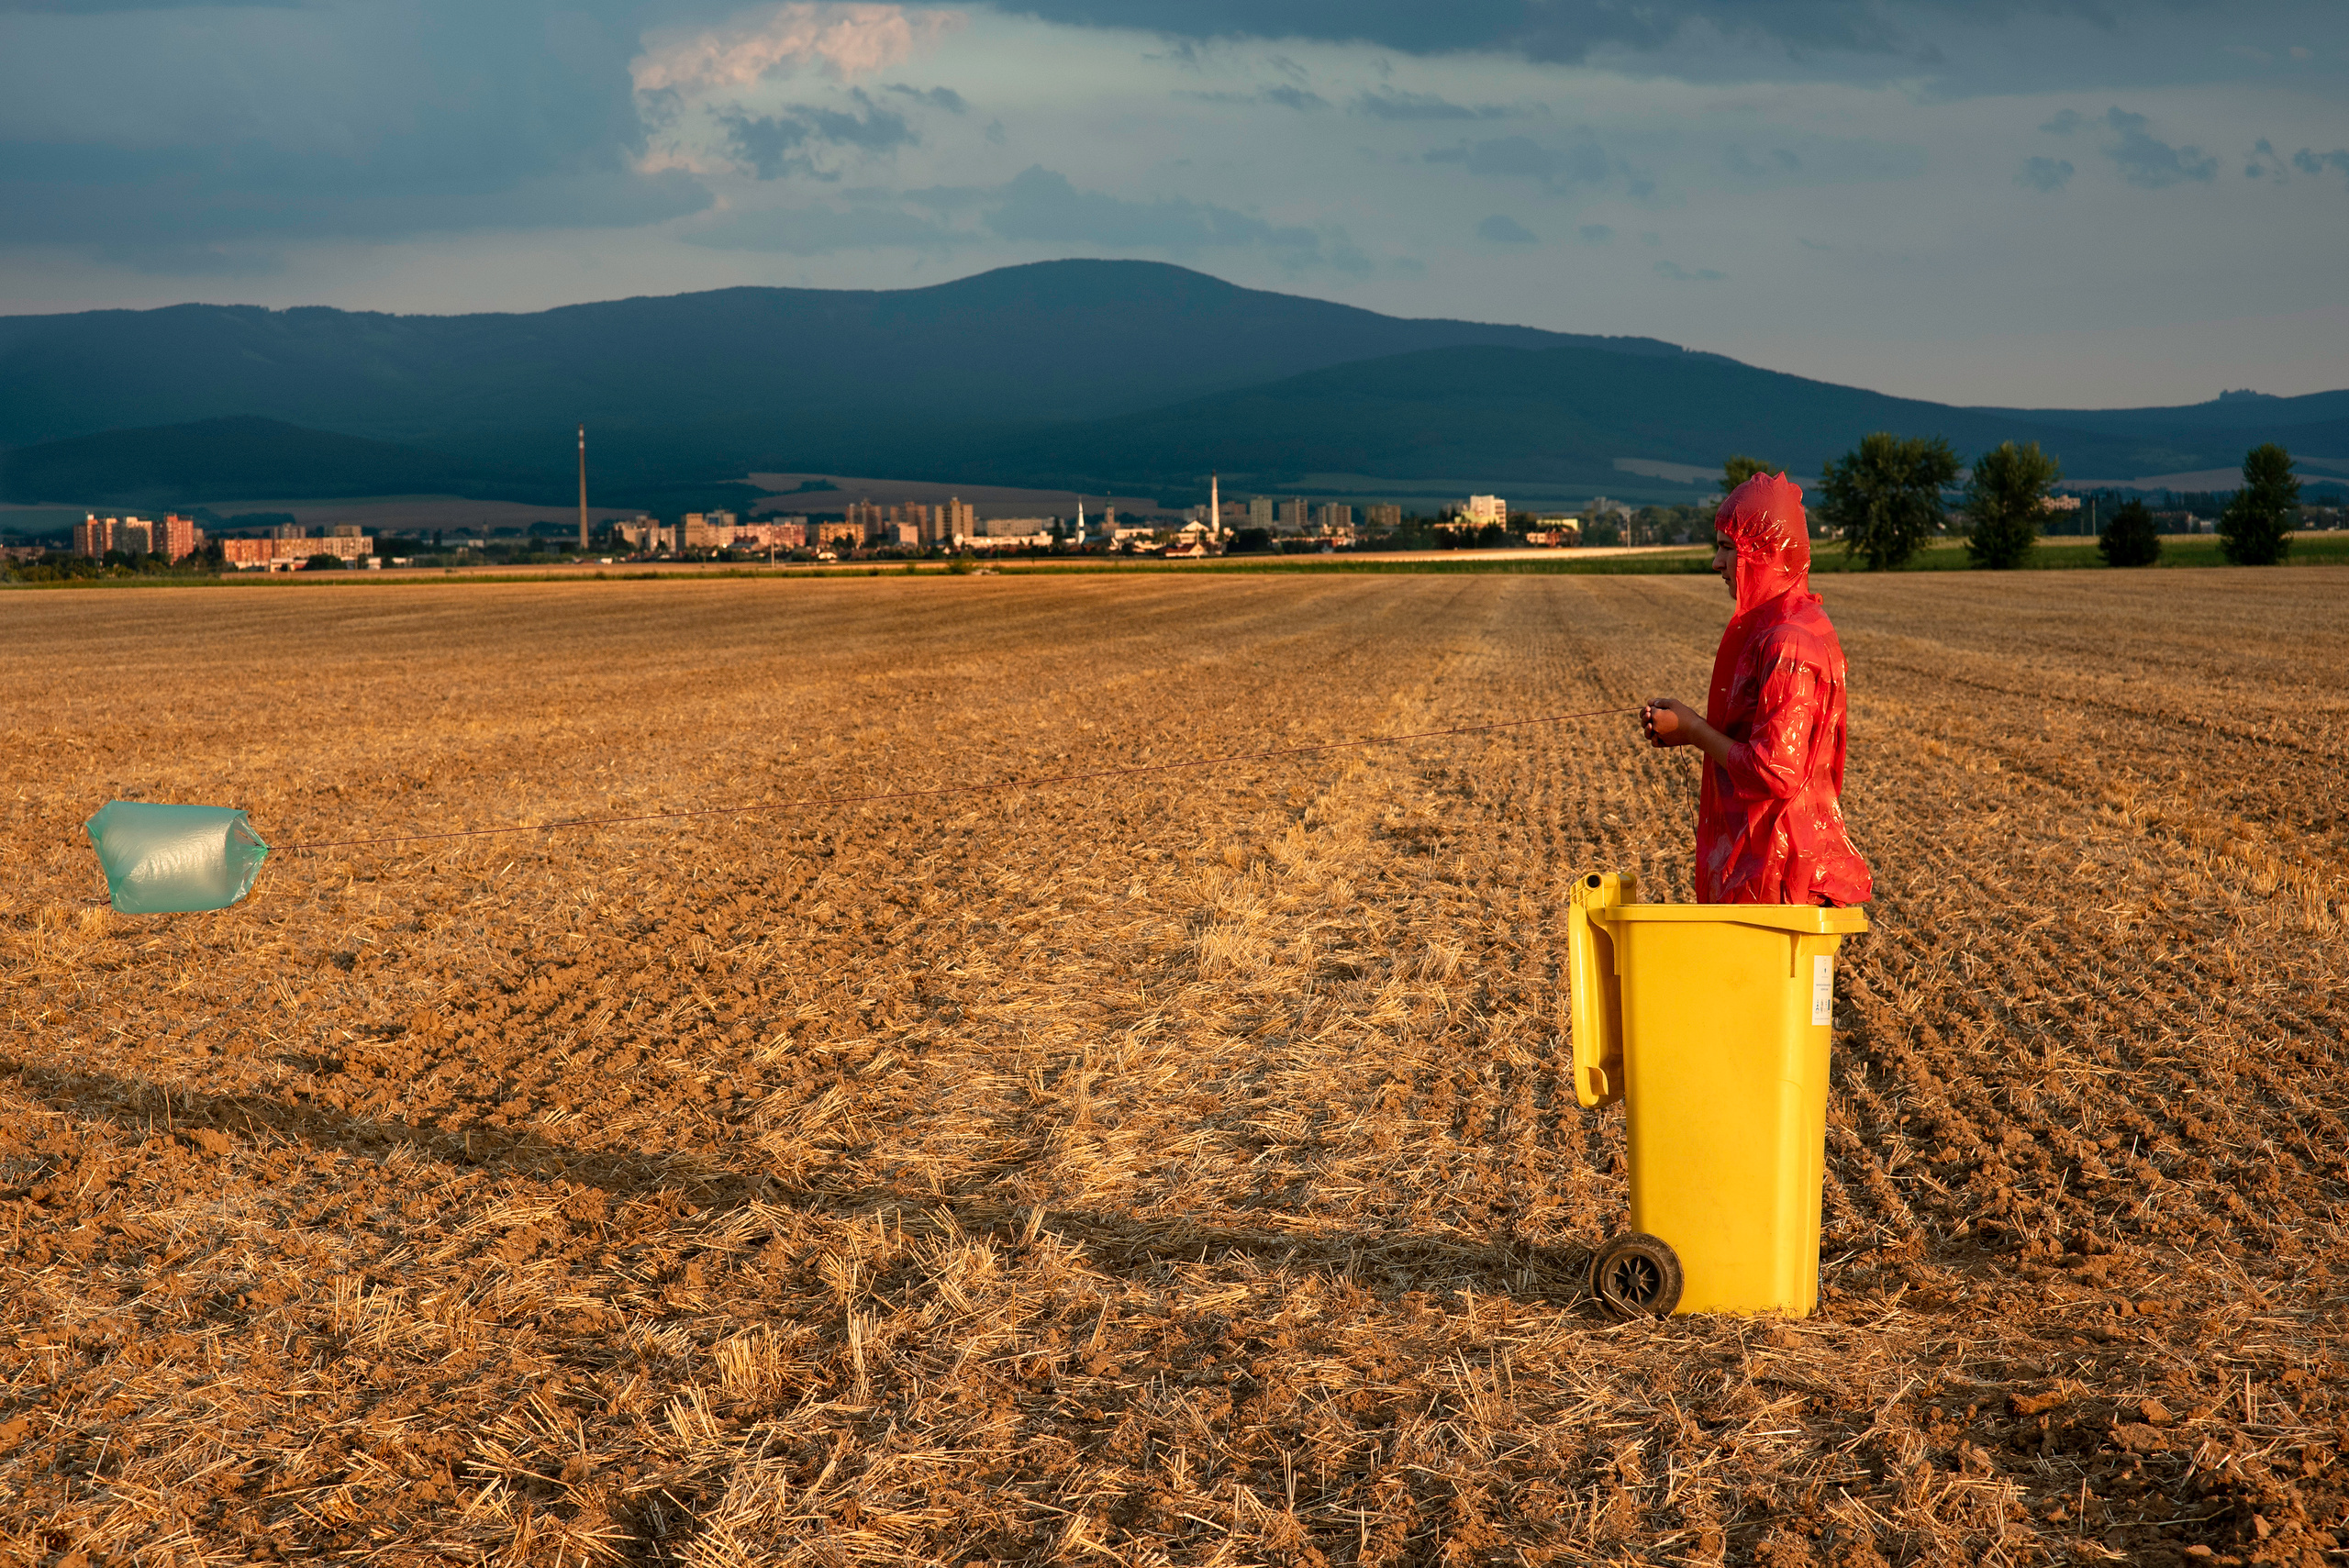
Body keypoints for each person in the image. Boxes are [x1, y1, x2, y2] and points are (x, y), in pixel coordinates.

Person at [1641, 472, 1873, 906]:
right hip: (1767, 870)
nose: (1716, 563)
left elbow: (1775, 770)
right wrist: (1685, 729)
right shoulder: (1784, 627)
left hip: (1779, 880)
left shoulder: (1790, 640)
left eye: (1729, 548)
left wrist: (1693, 730)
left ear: (1764, 553)